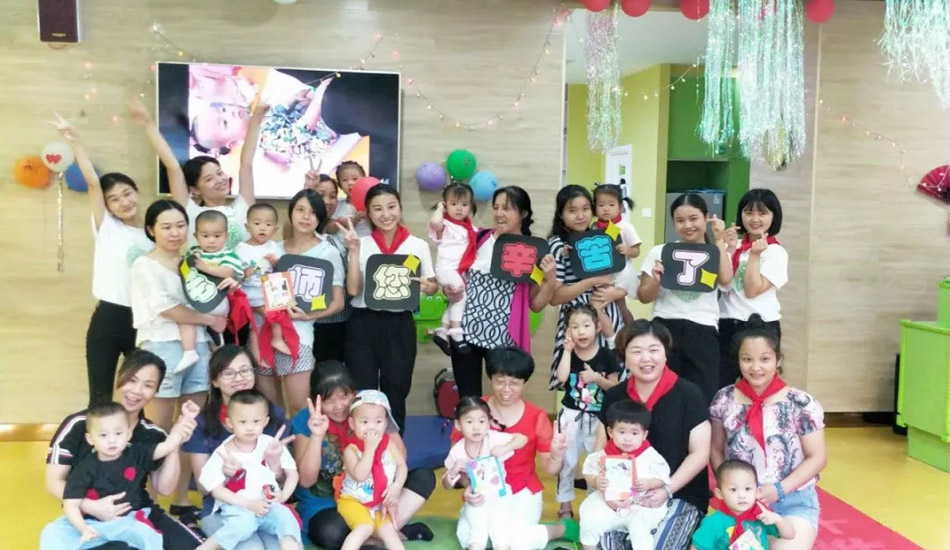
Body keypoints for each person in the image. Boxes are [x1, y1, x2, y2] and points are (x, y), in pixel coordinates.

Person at [130, 199, 227, 525]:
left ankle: (181, 500)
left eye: (180, 226)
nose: (175, 232)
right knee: (156, 430)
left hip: (197, 347)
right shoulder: (145, 265)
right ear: (151, 230)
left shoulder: (192, 262)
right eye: (166, 227)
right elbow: (166, 309)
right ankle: (147, 502)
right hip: (161, 348)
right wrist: (210, 320)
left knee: (190, 427)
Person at [50, 111, 157, 408]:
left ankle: (135, 438)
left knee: (140, 396)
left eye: (127, 193)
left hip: (145, 321)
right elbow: (93, 183)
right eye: (114, 199)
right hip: (109, 318)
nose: (124, 202)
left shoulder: (153, 233)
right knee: (100, 396)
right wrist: (74, 141)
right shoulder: (108, 228)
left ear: (136, 192)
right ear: (107, 207)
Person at [45, 350, 203, 550]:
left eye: (148, 385)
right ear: (119, 377)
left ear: (156, 392)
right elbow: (53, 481)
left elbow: (164, 489)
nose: (137, 391)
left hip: (139, 513)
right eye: (132, 380)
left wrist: (175, 442)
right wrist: (91, 506)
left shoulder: (153, 433)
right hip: (87, 518)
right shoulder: (79, 424)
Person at [291, 361, 435, 549]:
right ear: (316, 400)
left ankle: (370, 538)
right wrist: (317, 436)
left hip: (375, 495)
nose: (339, 406)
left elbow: (400, 457)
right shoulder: (306, 420)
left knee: (423, 477)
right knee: (329, 532)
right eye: (329, 400)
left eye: (344, 396)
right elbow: (306, 481)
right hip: (328, 503)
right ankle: (389, 536)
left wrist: (381, 424)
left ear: (354, 393)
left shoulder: (367, 407)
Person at [597, 320, 712, 550]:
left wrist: (667, 489)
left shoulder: (689, 394)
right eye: (636, 351)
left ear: (665, 353)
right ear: (624, 356)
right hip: (624, 495)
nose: (646, 358)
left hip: (679, 494)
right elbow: (601, 450)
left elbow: (700, 454)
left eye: (653, 350)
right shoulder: (615, 396)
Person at [709, 323, 826, 550]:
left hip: (793, 502)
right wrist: (732, 489)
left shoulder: (801, 403)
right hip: (740, 503)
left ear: (778, 360)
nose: (756, 367)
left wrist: (778, 490)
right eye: (747, 359)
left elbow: (817, 457)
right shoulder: (724, 399)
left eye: (764, 359)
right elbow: (716, 448)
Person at [452, 347, 577, 550]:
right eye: (500, 381)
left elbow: (551, 469)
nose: (506, 389)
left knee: (515, 541)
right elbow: (457, 464)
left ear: (524, 382)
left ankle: (560, 529)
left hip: (522, 491)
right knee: (469, 539)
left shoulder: (536, 416)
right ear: (490, 378)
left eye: (514, 383)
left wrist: (556, 455)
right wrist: (469, 486)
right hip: (485, 492)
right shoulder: (472, 412)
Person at [339, 184, 438, 432]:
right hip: (363, 323)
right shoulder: (361, 243)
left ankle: (394, 447)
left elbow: (432, 284)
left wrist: (429, 287)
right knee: (363, 390)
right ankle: (364, 447)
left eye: (391, 207)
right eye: (377, 209)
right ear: (368, 214)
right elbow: (353, 290)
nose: (386, 214)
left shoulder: (417, 245)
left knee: (397, 388)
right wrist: (353, 251)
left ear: (400, 208)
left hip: (399, 324)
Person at [448, 187, 557, 398]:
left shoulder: (532, 251)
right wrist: (450, 289)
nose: (499, 213)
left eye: (507, 208)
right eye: (496, 207)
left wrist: (550, 281)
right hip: (465, 331)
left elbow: (535, 305)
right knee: (468, 398)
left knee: (505, 397)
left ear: (523, 213)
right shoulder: (478, 237)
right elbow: (456, 274)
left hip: (504, 338)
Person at [184, 345, 290, 550]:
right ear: (215, 381)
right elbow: (203, 486)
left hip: (267, 509)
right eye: (228, 373)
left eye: (245, 370)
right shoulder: (203, 423)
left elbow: (283, 480)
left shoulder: (272, 415)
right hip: (222, 510)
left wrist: (275, 466)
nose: (239, 378)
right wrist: (225, 475)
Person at [636, 192, 734, 403]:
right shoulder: (660, 251)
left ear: (706, 217)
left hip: (703, 328)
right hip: (665, 326)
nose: (687, 225)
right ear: (673, 223)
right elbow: (643, 296)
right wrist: (656, 279)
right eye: (680, 220)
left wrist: (719, 239)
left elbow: (726, 280)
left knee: (702, 396)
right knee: (661, 394)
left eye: (693, 218)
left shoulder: (715, 252)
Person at [258, 189, 345, 415]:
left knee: (301, 407)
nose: (306, 217)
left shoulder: (328, 252)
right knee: (268, 409)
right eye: (300, 210)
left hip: (298, 335)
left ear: (320, 218)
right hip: (262, 332)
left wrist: (308, 316)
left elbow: (338, 302)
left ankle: (304, 441)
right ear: (290, 213)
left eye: (313, 212)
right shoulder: (273, 249)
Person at [152, 96, 267, 251]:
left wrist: (256, 120)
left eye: (219, 173)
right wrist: (148, 124)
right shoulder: (190, 212)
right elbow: (173, 167)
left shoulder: (242, 208)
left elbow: (246, 164)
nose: (220, 180)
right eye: (209, 179)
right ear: (195, 189)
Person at [196, 390, 302, 550]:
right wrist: (248, 504)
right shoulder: (223, 452)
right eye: (243, 422)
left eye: (256, 421)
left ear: (265, 421)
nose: (250, 427)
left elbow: (292, 474)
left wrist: (283, 496)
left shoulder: (271, 444)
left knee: (286, 518)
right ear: (229, 423)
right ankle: (207, 547)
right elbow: (215, 490)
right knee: (243, 524)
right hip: (237, 507)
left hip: (268, 506)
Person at [548, 185, 627, 390]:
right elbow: (555, 297)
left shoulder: (602, 237)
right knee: (577, 383)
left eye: (585, 209)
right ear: (561, 214)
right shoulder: (558, 246)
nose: (580, 216)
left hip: (607, 313)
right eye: (572, 210)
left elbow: (622, 276)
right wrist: (591, 282)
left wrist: (616, 291)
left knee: (613, 380)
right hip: (577, 321)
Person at [553, 304, 621, 519]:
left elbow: (615, 388)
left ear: (598, 327)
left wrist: (597, 379)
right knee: (567, 461)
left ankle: (592, 504)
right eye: (575, 327)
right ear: (568, 331)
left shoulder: (606, 356)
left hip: (598, 419)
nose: (581, 331)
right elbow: (562, 378)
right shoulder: (567, 353)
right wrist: (566, 350)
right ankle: (565, 506)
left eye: (586, 325)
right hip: (570, 415)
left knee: (596, 462)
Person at [718, 189, 787, 389]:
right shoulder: (736, 245)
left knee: (759, 384)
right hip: (727, 322)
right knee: (721, 384)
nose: (755, 219)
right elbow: (724, 284)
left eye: (762, 213)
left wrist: (755, 256)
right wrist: (728, 249)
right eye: (748, 212)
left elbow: (752, 290)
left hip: (760, 325)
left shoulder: (775, 252)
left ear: (774, 216)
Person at [578, 400, 670, 550]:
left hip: (639, 505)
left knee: (640, 530)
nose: (627, 438)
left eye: (634, 433)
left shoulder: (650, 456)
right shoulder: (603, 455)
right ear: (610, 432)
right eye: (621, 432)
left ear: (644, 435)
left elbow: (663, 478)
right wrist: (595, 481)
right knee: (590, 520)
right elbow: (589, 472)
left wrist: (649, 483)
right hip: (608, 502)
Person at [443, 397, 527, 550]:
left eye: (482, 421)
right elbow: (446, 485)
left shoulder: (493, 438)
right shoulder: (457, 451)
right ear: (458, 425)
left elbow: (522, 438)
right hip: (477, 499)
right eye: (469, 422)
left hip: (500, 497)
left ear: (488, 424)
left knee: (499, 532)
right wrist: (454, 470)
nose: (476, 427)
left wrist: (506, 447)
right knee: (477, 534)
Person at [337, 390, 408, 550]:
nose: (371, 427)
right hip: (353, 501)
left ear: (386, 423)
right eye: (364, 422)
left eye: (378, 421)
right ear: (352, 423)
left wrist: (396, 487)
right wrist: (369, 449)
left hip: (378, 504)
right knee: (365, 527)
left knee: (389, 531)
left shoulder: (389, 444)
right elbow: (360, 475)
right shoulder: (351, 450)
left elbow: (401, 466)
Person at [177, 210, 244, 370]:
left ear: (226, 236)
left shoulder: (227, 254)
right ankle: (196, 351)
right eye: (205, 236)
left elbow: (229, 271)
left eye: (217, 236)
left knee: (187, 314)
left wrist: (206, 267)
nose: (211, 240)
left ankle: (197, 353)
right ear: (196, 235)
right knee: (186, 315)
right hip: (198, 297)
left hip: (217, 301)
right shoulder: (194, 252)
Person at [691, 460, 795, 550]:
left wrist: (778, 519)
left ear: (756, 491)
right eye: (733, 490)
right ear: (719, 493)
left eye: (747, 489)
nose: (741, 495)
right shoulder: (713, 521)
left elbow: (790, 535)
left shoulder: (760, 514)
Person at [428, 182, 478, 354]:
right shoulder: (445, 225)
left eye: (464, 204)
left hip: (460, 271)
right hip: (446, 270)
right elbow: (434, 223)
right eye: (453, 204)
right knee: (461, 295)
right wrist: (439, 209)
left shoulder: (471, 229)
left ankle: (442, 331)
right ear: (446, 204)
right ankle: (456, 332)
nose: (459, 208)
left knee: (455, 299)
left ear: (470, 207)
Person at [235, 203, 287, 364]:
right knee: (258, 325)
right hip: (251, 293)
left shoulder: (274, 247)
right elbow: (234, 273)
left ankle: (272, 345)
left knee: (268, 320)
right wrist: (244, 272)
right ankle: (262, 353)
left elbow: (283, 270)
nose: (262, 228)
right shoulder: (241, 248)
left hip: (270, 292)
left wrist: (275, 263)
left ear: (275, 229)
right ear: (247, 226)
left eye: (268, 224)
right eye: (257, 223)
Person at [310, 174, 354, 363]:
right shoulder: (301, 235)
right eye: (320, 195)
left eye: (333, 196)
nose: (327, 201)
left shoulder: (341, 236)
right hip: (306, 320)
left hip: (340, 320)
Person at [333, 161, 371, 237]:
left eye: (355, 179)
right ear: (339, 185)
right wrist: (340, 222)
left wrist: (370, 214)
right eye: (345, 180)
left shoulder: (371, 203)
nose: (350, 183)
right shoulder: (336, 205)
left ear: (364, 180)